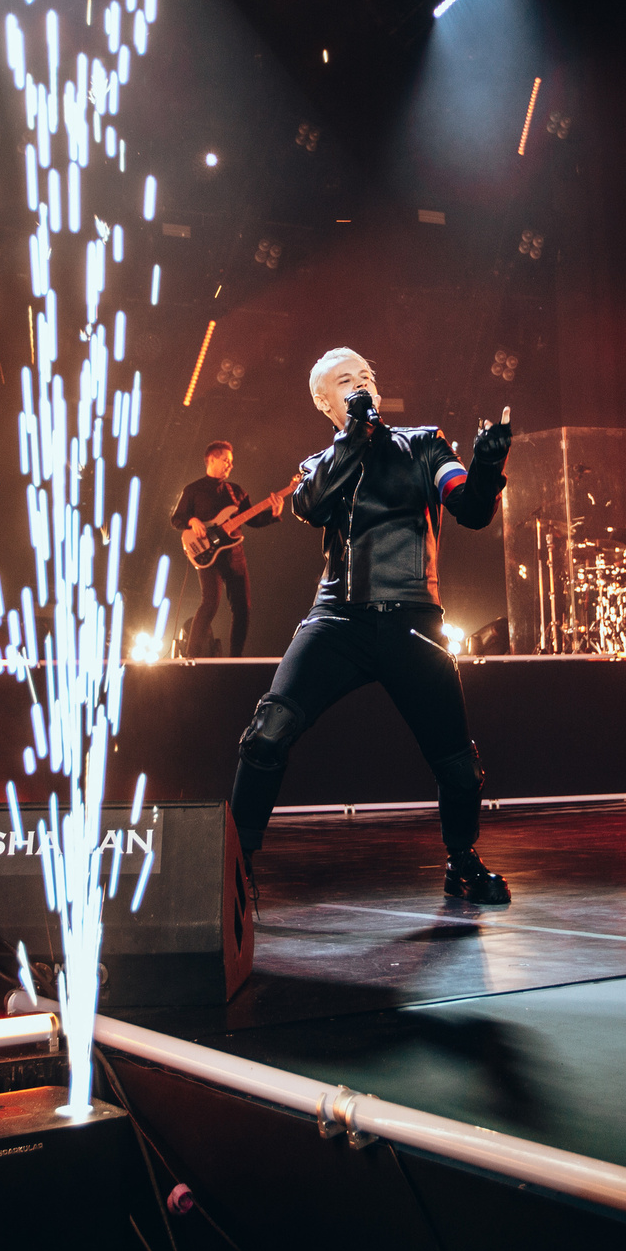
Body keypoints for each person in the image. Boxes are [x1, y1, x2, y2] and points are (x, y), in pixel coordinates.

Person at [230, 349, 516, 905]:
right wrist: (354, 437)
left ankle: (462, 861)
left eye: (367, 377)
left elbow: (473, 510)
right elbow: (311, 505)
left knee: (460, 766)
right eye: (346, 382)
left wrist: (487, 467)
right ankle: (235, 868)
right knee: (267, 733)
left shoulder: (425, 444)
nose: (362, 385)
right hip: (338, 620)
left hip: (413, 622)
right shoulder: (318, 464)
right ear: (324, 402)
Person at [170, 442, 286, 657]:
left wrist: (273, 514)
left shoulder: (236, 491)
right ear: (212, 459)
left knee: (243, 608)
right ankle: (191, 656)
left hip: (234, 555)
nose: (230, 466)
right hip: (207, 555)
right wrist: (192, 520)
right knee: (210, 604)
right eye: (226, 461)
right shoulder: (193, 490)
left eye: (231, 463)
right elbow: (176, 519)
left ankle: (235, 659)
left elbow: (254, 519)